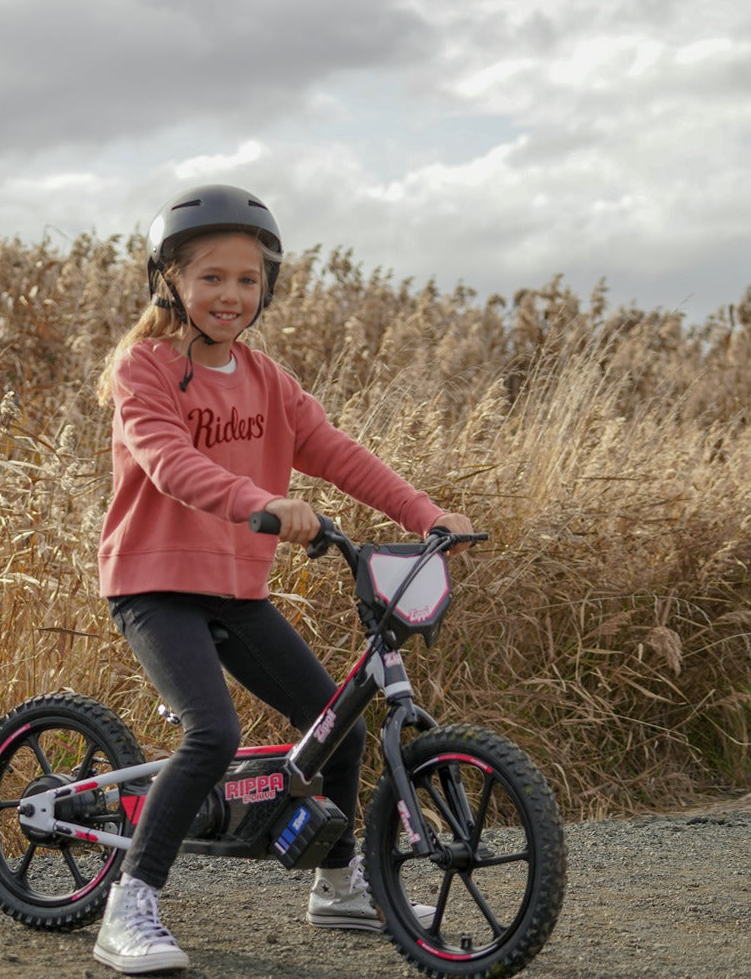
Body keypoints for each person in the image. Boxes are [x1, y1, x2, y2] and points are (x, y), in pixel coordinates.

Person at [92, 184, 474, 974]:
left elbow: (337, 453)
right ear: (170, 280)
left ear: (267, 288)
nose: (230, 294)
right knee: (213, 733)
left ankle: (336, 887)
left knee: (339, 724)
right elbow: (169, 463)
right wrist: (261, 501)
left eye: (247, 279)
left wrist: (427, 514)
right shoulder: (144, 368)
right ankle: (128, 905)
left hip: (237, 592)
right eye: (211, 277)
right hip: (154, 584)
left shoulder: (268, 380)